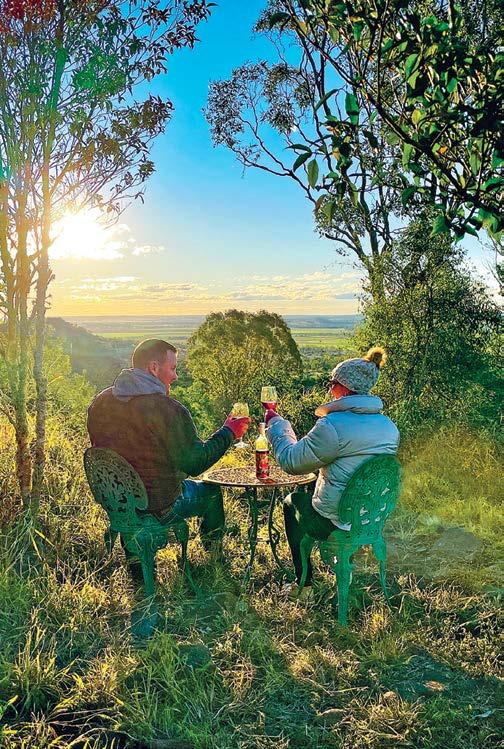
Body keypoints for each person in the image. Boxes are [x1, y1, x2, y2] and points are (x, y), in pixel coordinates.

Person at [87, 339, 250, 579]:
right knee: (211, 492)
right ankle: (214, 563)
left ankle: (137, 564)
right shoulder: (167, 410)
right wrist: (228, 432)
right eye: (172, 368)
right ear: (154, 367)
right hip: (158, 504)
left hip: (115, 499)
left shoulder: (100, 402)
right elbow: (195, 463)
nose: (175, 376)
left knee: (138, 494)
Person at [264, 347, 399, 599]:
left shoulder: (333, 426)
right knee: (319, 488)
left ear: (345, 389)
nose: (329, 389)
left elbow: (291, 462)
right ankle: (341, 566)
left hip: (338, 521)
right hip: (371, 517)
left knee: (292, 502)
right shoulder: (389, 427)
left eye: (332, 383)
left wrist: (276, 425)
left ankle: (304, 585)